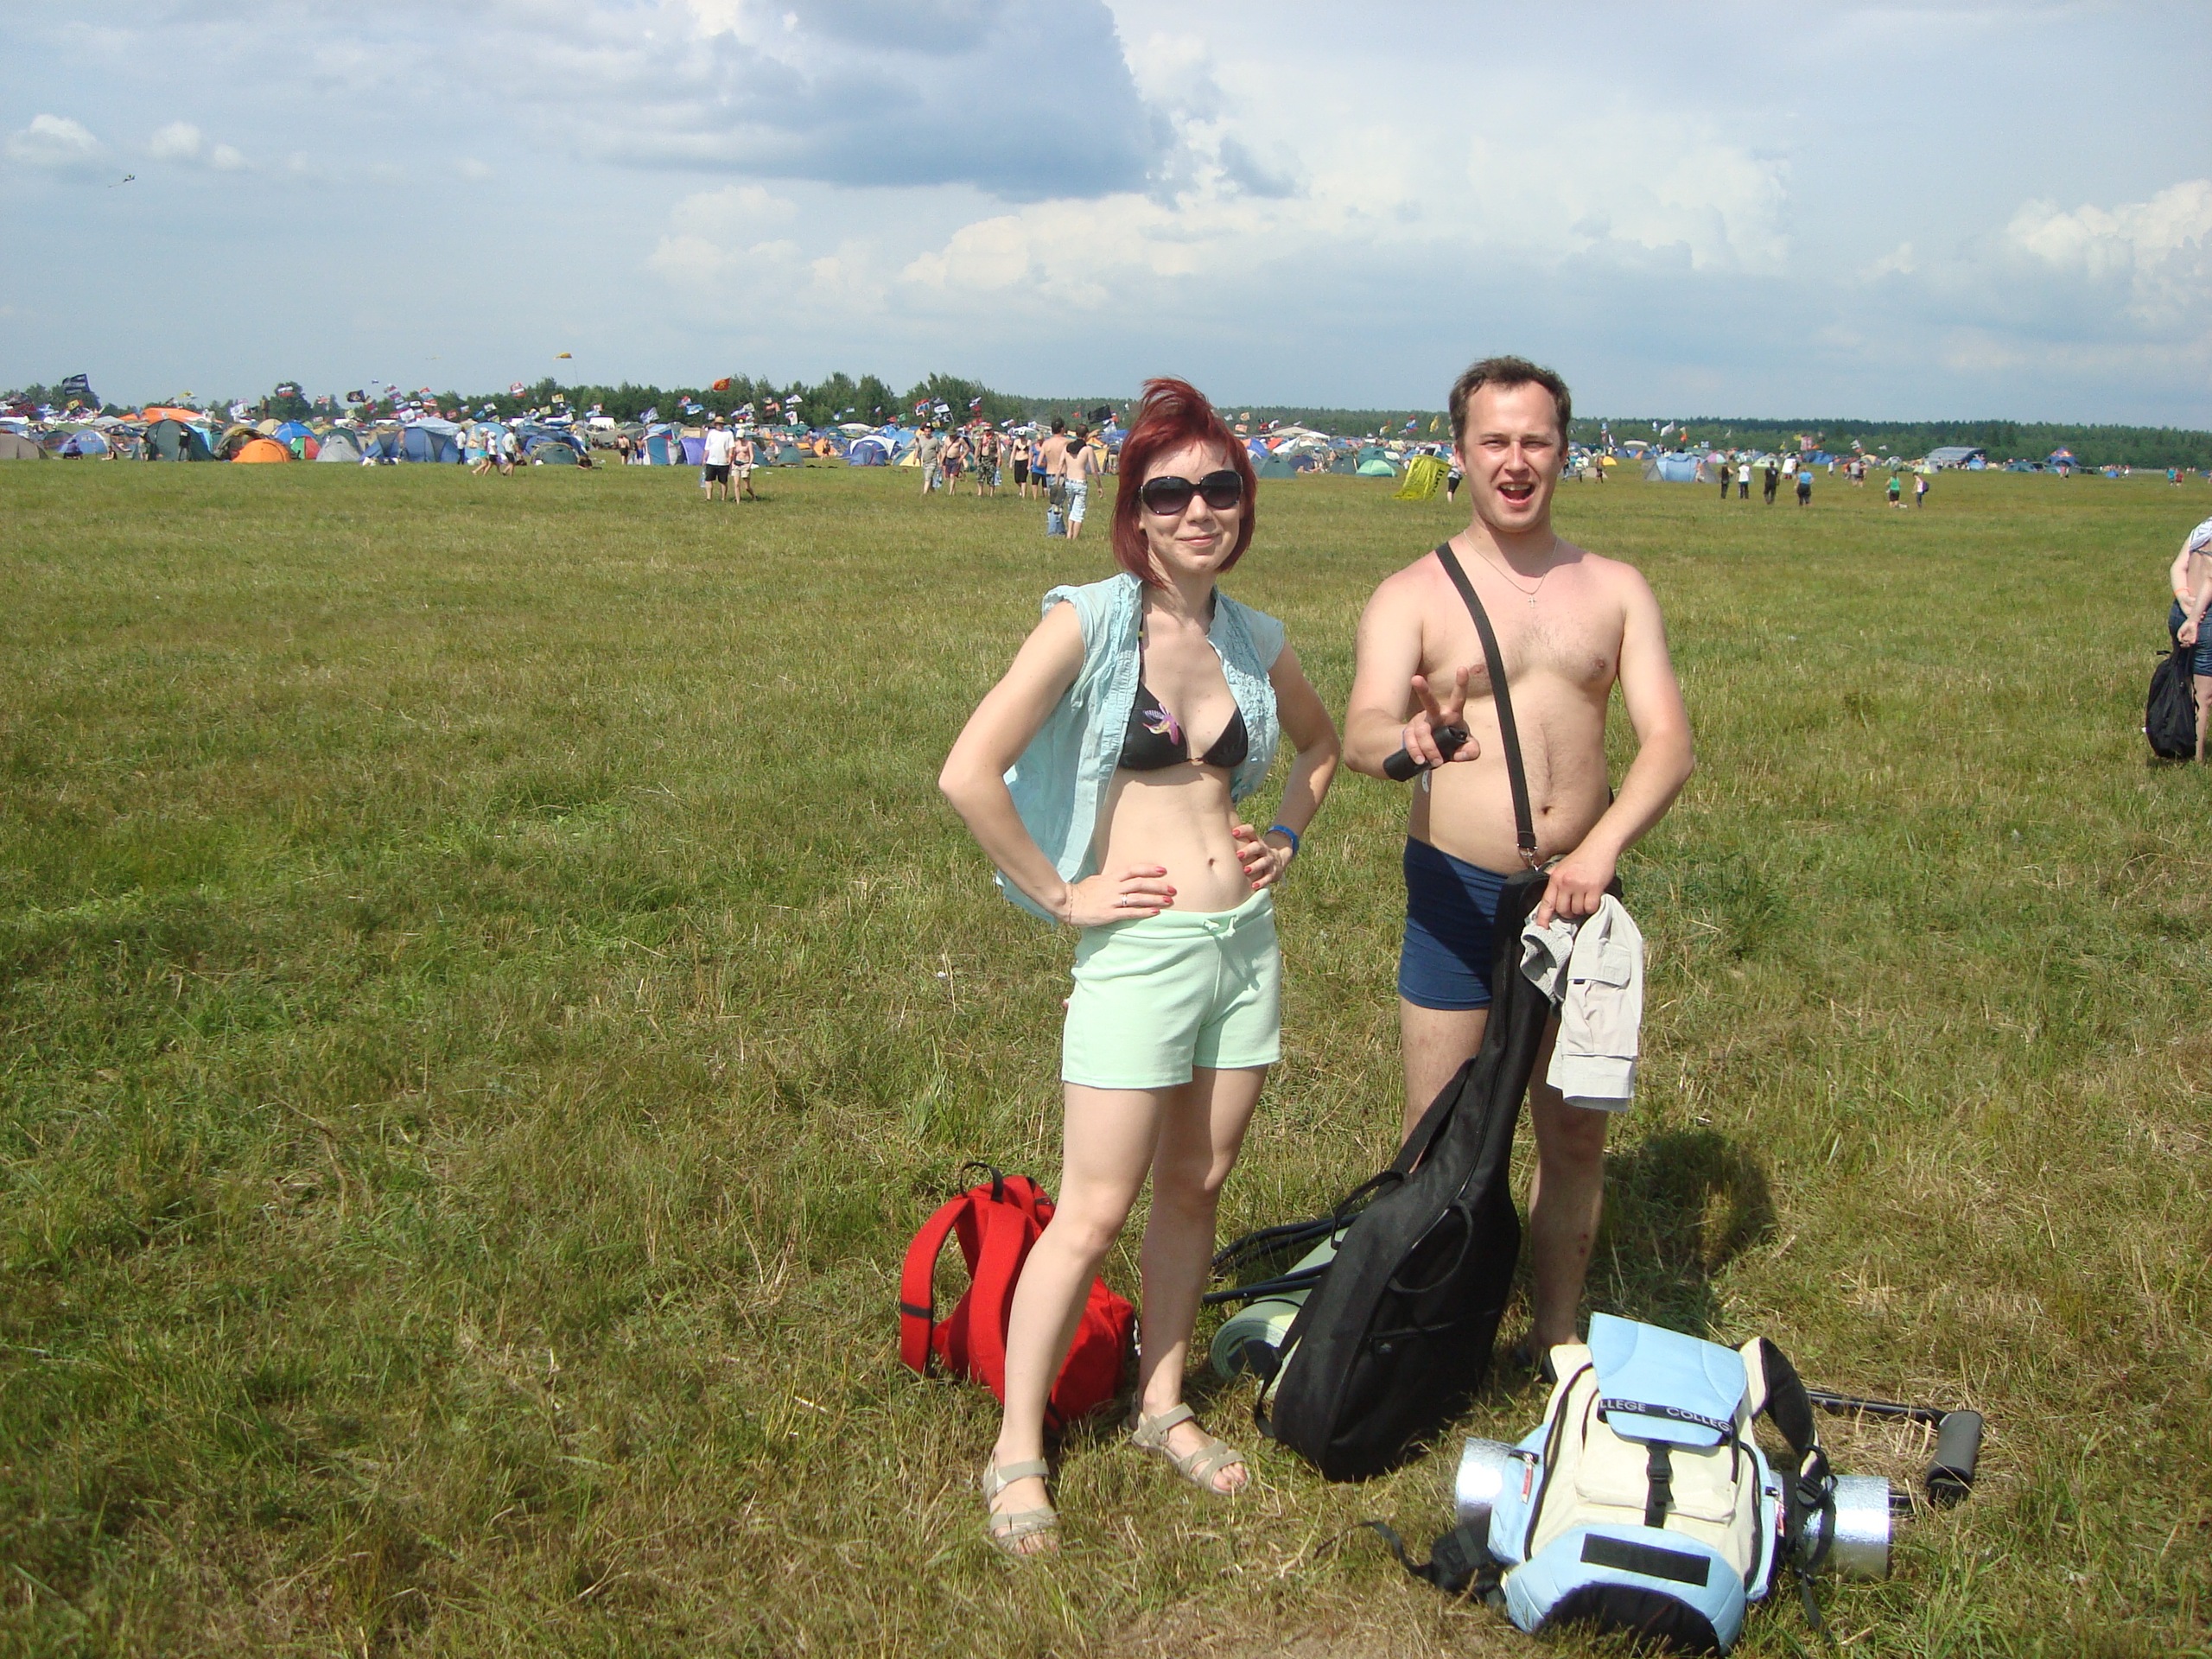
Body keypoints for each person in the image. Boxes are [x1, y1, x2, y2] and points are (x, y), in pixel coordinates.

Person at [938, 378, 1340, 1555]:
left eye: (1220, 487)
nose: (1198, 509)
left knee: (1197, 1184)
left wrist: (1289, 835)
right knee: (1094, 1208)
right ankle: (1016, 1449)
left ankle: (1160, 1405)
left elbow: (1320, 746)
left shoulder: (1253, 638)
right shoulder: (1091, 622)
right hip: (1138, 951)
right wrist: (1065, 896)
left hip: (1242, 948)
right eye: (1170, 493)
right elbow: (968, 771)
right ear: (1136, 512)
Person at [1342, 355, 1693, 1363]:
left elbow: (1668, 743)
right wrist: (1410, 741)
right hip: (1453, 898)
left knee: (1573, 1133)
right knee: (1438, 1130)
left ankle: (1553, 1336)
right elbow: (1364, 729)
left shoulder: (1615, 589)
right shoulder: (1410, 595)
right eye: (1493, 440)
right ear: (1458, 453)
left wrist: (1599, 850)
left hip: (1579, 898)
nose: (1514, 461)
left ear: (1564, 452)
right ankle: (1422, 1342)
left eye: (1535, 440)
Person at [2167, 518, 2212, 761]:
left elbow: (2177, 567)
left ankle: (2175, 738)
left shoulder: (2205, 527)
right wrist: (2194, 618)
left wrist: (2182, 597)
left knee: (2186, 682)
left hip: (2179, 612)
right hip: (2204, 617)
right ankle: (2195, 758)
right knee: (2203, 697)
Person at [1064, 423, 1096, 541]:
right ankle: (1075, 538)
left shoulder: (1067, 448)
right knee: (1078, 512)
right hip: (1080, 481)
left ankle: (1069, 534)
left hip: (1068, 481)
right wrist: (1099, 485)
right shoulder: (1088, 449)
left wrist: (1057, 482)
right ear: (1086, 435)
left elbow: (1060, 465)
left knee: (1071, 509)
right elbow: (1093, 470)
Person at [702, 417, 735, 502]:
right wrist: (704, 458)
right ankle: (709, 497)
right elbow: (707, 447)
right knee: (708, 480)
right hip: (711, 461)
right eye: (718, 424)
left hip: (723, 461)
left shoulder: (728, 433)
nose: (720, 425)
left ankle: (723, 498)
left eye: (721, 424)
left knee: (723, 481)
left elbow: (731, 447)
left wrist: (730, 457)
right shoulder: (711, 433)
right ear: (715, 424)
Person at [917, 424, 944, 496]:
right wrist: (916, 457)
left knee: (928, 478)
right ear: (924, 431)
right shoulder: (921, 439)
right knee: (929, 478)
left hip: (932, 462)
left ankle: (924, 494)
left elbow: (939, 452)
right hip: (925, 462)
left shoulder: (935, 440)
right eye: (926, 431)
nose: (927, 433)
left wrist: (940, 462)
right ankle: (932, 491)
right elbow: (918, 448)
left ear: (931, 432)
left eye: (929, 432)